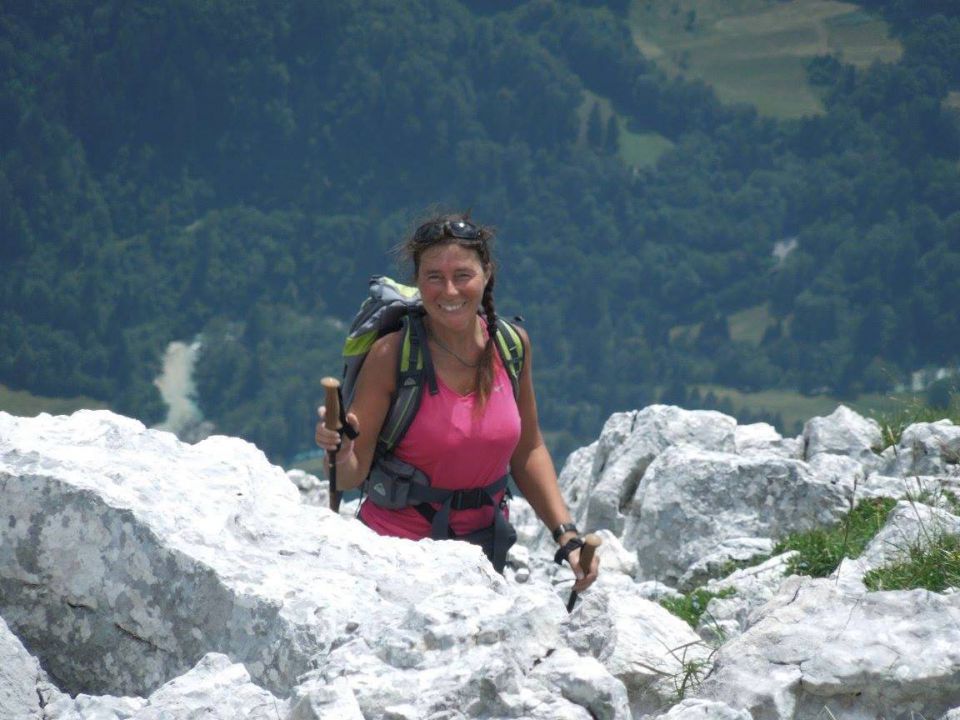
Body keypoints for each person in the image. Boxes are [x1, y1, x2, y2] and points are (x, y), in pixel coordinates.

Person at [315, 212, 598, 592]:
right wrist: (341, 450)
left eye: (462, 275)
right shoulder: (392, 356)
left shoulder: (511, 346)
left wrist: (567, 537)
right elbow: (349, 476)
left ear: (486, 275)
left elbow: (528, 450)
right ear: (418, 282)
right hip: (394, 560)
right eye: (434, 277)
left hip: (483, 556)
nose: (449, 292)